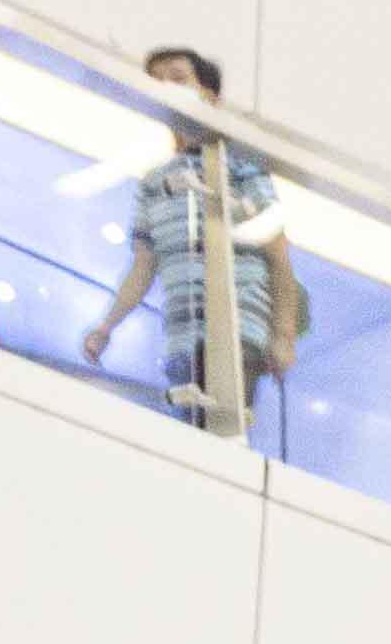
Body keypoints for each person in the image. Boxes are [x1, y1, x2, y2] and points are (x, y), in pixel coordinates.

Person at [85, 46, 302, 436]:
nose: (167, 88)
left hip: (238, 329)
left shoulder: (243, 166)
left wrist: (283, 335)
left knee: (221, 430)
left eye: (178, 77)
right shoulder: (155, 182)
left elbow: (278, 256)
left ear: (209, 96)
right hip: (182, 337)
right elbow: (143, 265)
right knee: (190, 432)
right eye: (157, 81)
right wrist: (106, 327)